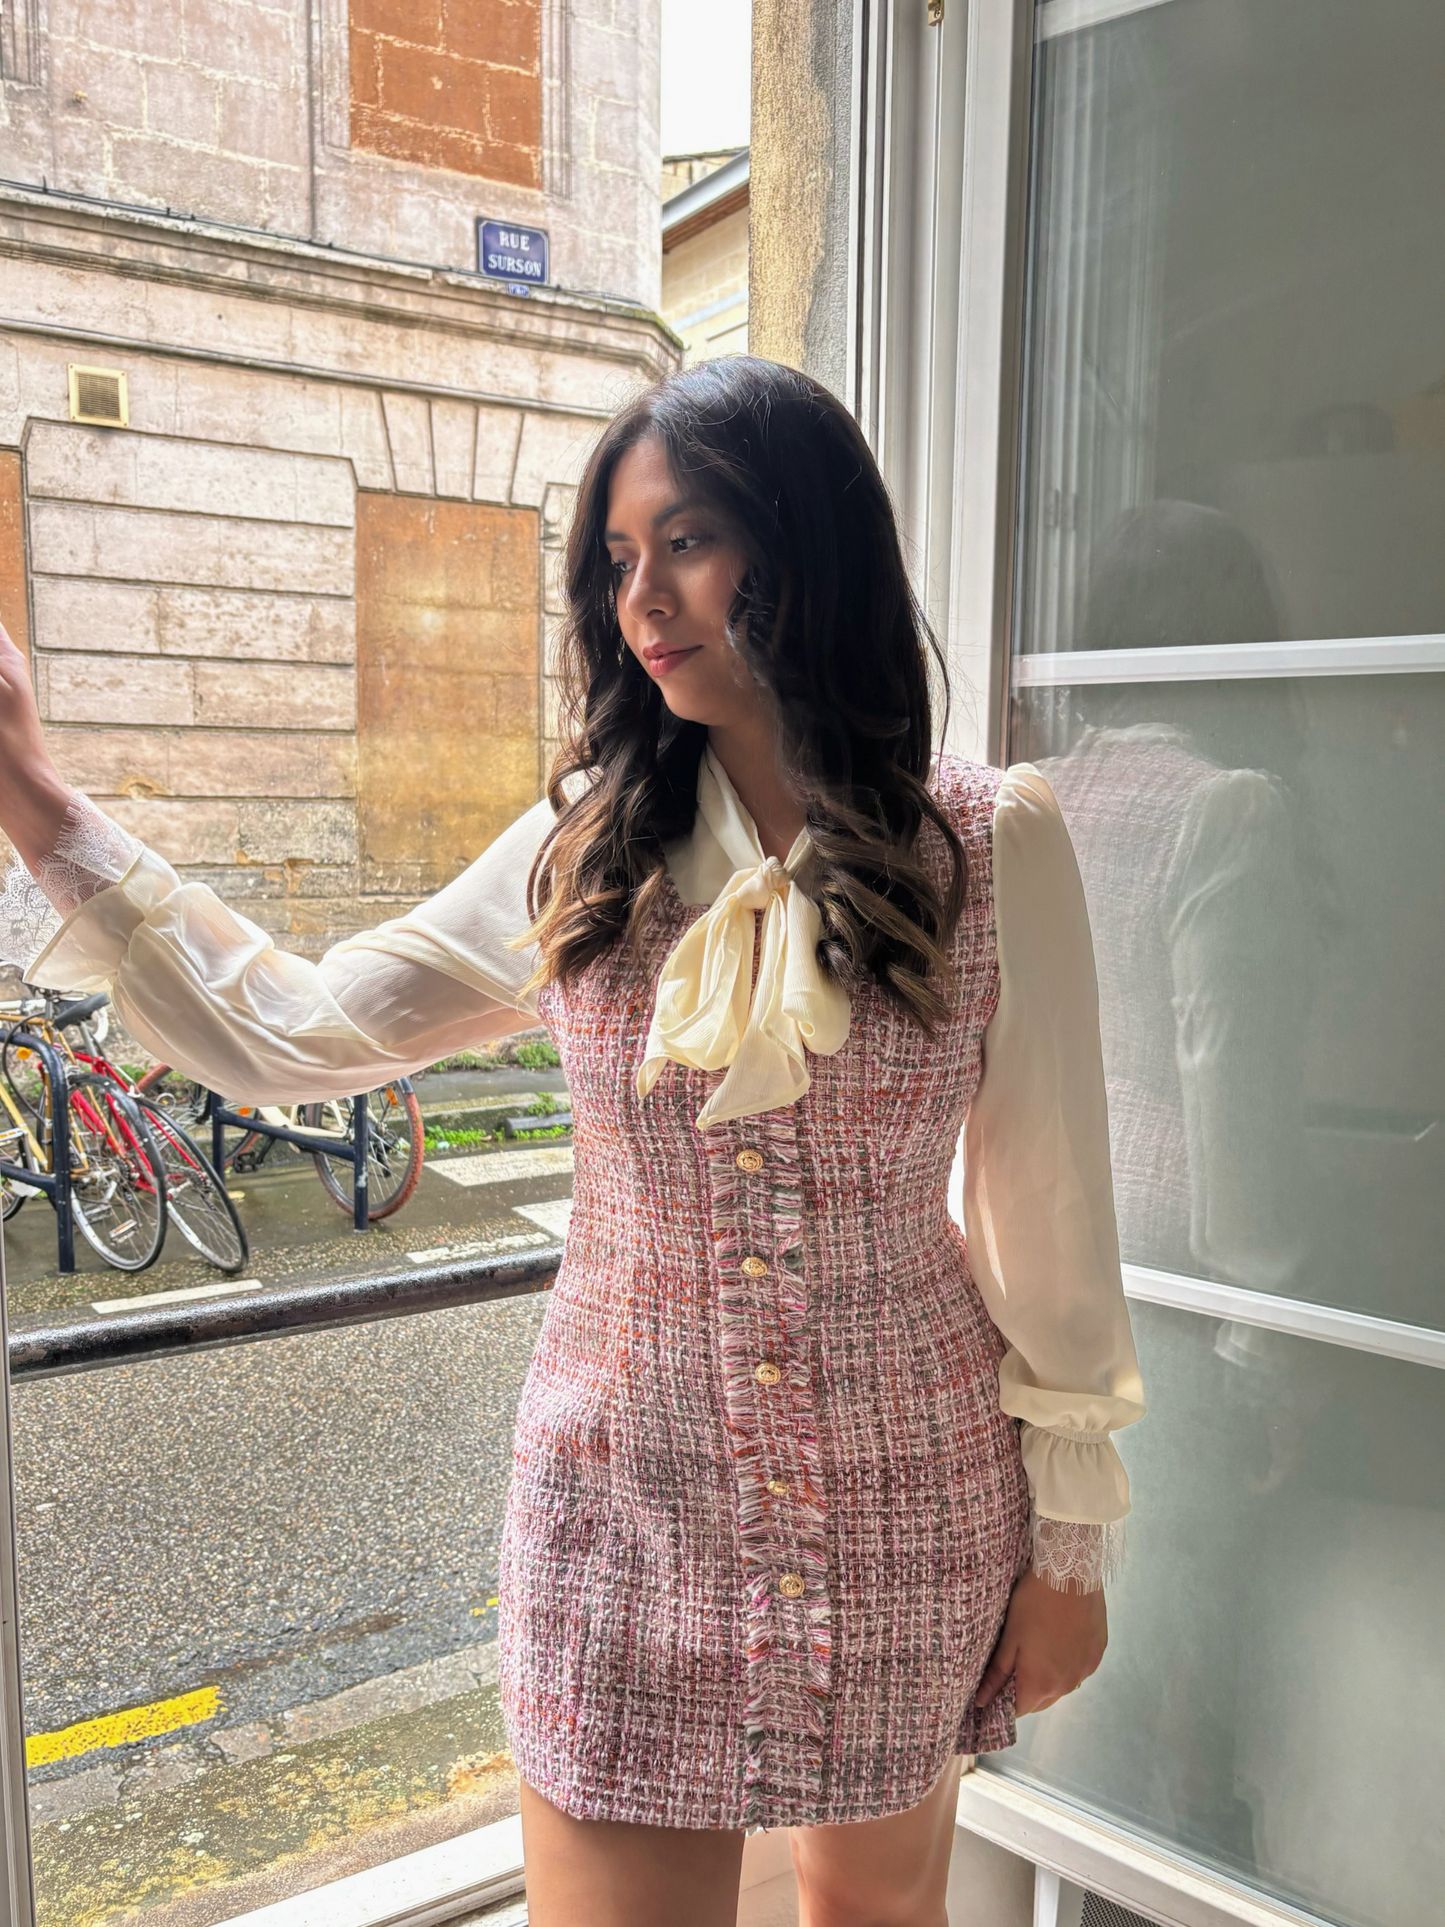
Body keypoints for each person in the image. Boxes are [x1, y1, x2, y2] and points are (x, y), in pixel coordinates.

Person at [0, 358, 1143, 1927]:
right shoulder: (582, 853)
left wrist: (1068, 1547)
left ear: (807, 545)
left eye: (686, 541)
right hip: (623, 1518)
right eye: (615, 561)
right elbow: (297, 1028)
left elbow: (1053, 1216)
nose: (642, 600)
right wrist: (37, 797)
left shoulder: (986, 844)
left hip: (914, 1505)